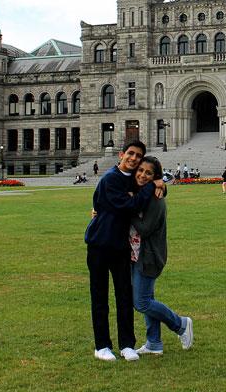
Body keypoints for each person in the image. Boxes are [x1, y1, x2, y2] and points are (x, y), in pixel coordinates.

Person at [85, 140, 164, 363]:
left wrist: (162, 182)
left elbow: (151, 184)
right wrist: (153, 184)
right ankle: (102, 346)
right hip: (100, 245)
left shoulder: (136, 180)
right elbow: (130, 206)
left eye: (138, 156)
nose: (133, 158)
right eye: (130, 153)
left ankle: (127, 344)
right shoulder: (111, 178)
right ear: (121, 154)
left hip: (121, 247)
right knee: (100, 296)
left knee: (124, 296)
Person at [129, 156, 194, 355]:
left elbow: (146, 229)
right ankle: (154, 343)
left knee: (141, 302)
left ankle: (181, 324)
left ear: (155, 177)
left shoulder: (156, 199)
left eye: (149, 173)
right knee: (148, 298)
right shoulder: (141, 192)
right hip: (134, 254)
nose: (142, 175)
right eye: (140, 170)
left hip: (149, 256)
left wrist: (127, 209)